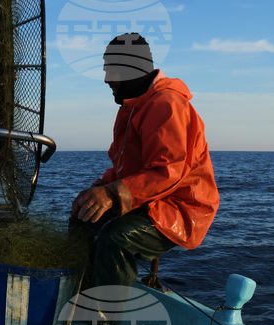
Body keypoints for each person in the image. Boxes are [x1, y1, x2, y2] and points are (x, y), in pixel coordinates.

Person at [70, 33, 219, 288]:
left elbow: (167, 171)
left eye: (112, 71)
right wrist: (102, 185)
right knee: (83, 217)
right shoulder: (132, 107)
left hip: (180, 208)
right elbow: (125, 164)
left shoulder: (166, 104)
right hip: (150, 200)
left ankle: (105, 322)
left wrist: (110, 194)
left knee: (115, 238)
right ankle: (78, 291)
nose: (107, 80)